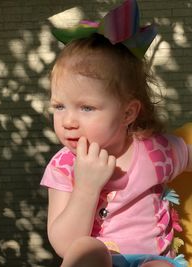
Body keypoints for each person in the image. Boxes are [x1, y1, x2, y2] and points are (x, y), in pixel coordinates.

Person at [40, 1, 192, 267]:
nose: (68, 121)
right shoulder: (64, 165)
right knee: (87, 248)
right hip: (99, 260)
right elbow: (65, 246)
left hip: (152, 259)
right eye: (59, 106)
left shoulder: (156, 152)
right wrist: (86, 187)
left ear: (127, 113)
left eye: (87, 107)